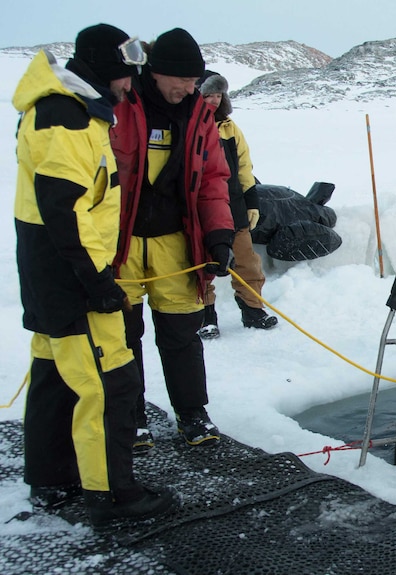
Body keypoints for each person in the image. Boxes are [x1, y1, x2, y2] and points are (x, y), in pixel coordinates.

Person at [13, 23, 179, 529]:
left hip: (52, 275)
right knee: (112, 384)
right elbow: (65, 211)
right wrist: (98, 285)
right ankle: (113, 496)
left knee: (56, 378)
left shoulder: (73, 113)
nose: (131, 85)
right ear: (106, 70)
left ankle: (52, 478)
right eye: (127, 75)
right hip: (71, 278)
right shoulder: (64, 118)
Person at [111, 28, 234, 451]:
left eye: (193, 81)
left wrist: (219, 236)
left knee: (182, 332)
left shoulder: (200, 115)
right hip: (120, 242)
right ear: (158, 72)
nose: (189, 88)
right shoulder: (123, 105)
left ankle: (192, 413)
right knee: (122, 333)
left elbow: (214, 181)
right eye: (182, 80)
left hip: (174, 243)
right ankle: (131, 416)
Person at [196, 70, 278, 339]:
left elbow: (244, 166)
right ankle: (205, 316)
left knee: (247, 263)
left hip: (233, 207)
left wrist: (251, 200)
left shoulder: (230, 128)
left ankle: (253, 310)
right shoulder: (188, 127)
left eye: (218, 95)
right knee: (201, 265)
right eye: (207, 95)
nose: (213, 100)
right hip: (199, 210)